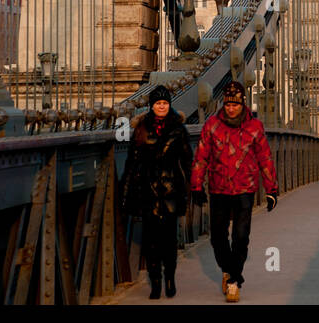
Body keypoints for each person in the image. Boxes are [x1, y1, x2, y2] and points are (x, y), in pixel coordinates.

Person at [190, 80, 278, 303]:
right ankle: (228, 269)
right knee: (218, 238)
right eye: (228, 104)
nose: (231, 108)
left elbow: (265, 158)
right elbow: (201, 158)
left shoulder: (255, 127)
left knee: (241, 237)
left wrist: (272, 189)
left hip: (244, 189)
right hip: (219, 188)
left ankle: (233, 282)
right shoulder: (212, 125)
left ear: (242, 104)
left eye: (235, 105)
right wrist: (196, 186)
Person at [119, 85, 192, 300]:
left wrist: (187, 188)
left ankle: (169, 278)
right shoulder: (141, 128)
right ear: (152, 106)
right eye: (158, 103)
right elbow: (132, 163)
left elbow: (187, 161)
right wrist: (125, 192)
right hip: (147, 192)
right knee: (150, 240)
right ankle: (155, 282)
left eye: (165, 103)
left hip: (171, 191)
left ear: (169, 105)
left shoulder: (179, 129)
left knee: (169, 240)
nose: (162, 106)